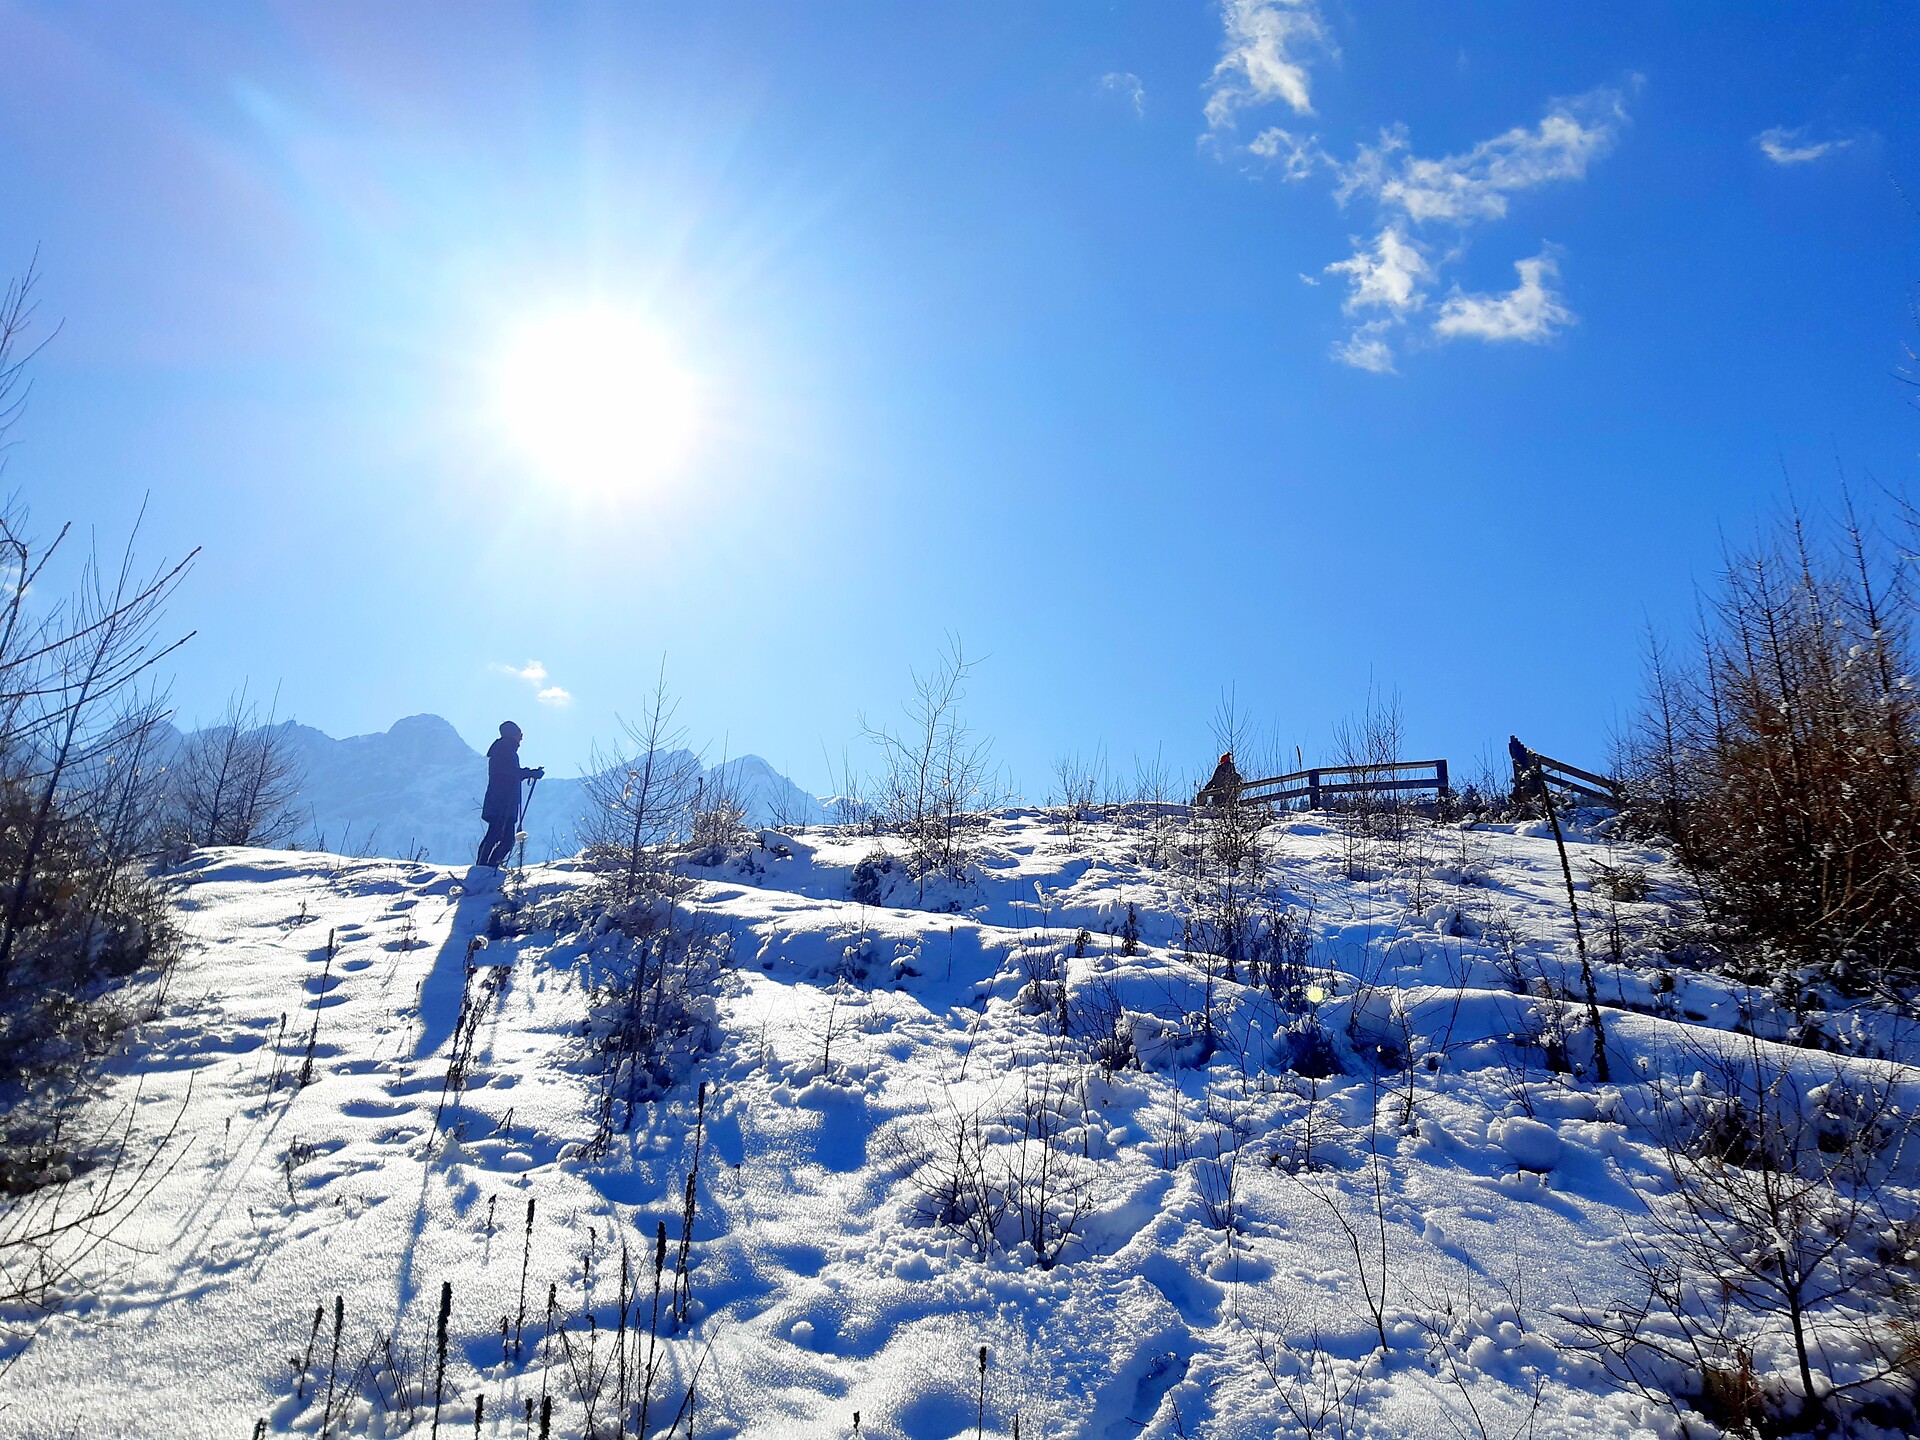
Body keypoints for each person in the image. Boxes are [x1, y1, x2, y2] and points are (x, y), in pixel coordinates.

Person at [477, 721, 544, 867]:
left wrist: (527, 773)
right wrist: (529, 773)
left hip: (503, 802)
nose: (521, 739)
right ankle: (485, 867)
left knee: (502, 838)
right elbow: (509, 772)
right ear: (512, 735)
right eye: (519, 735)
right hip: (501, 802)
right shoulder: (503, 750)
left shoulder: (504, 750)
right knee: (498, 836)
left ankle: (488, 866)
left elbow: (510, 772)